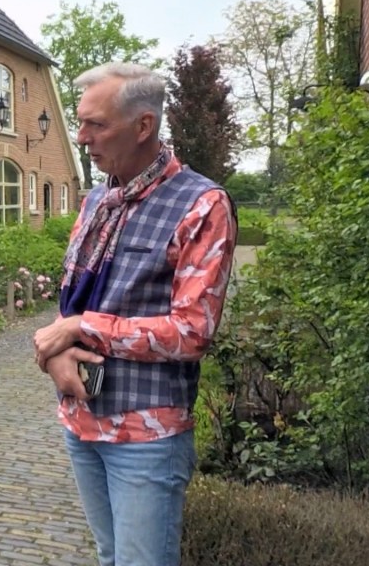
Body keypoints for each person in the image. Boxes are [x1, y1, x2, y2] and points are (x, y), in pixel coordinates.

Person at [33, 62, 237, 566]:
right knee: (109, 557)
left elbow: (192, 331)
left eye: (96, 125)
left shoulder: (201, 205)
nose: (81, 138)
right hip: (80, 421)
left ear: (144, 125)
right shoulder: (96, 202)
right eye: (80, 123)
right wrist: (55, 356)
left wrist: (83, 328)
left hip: (146, 436)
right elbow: (71, 301)